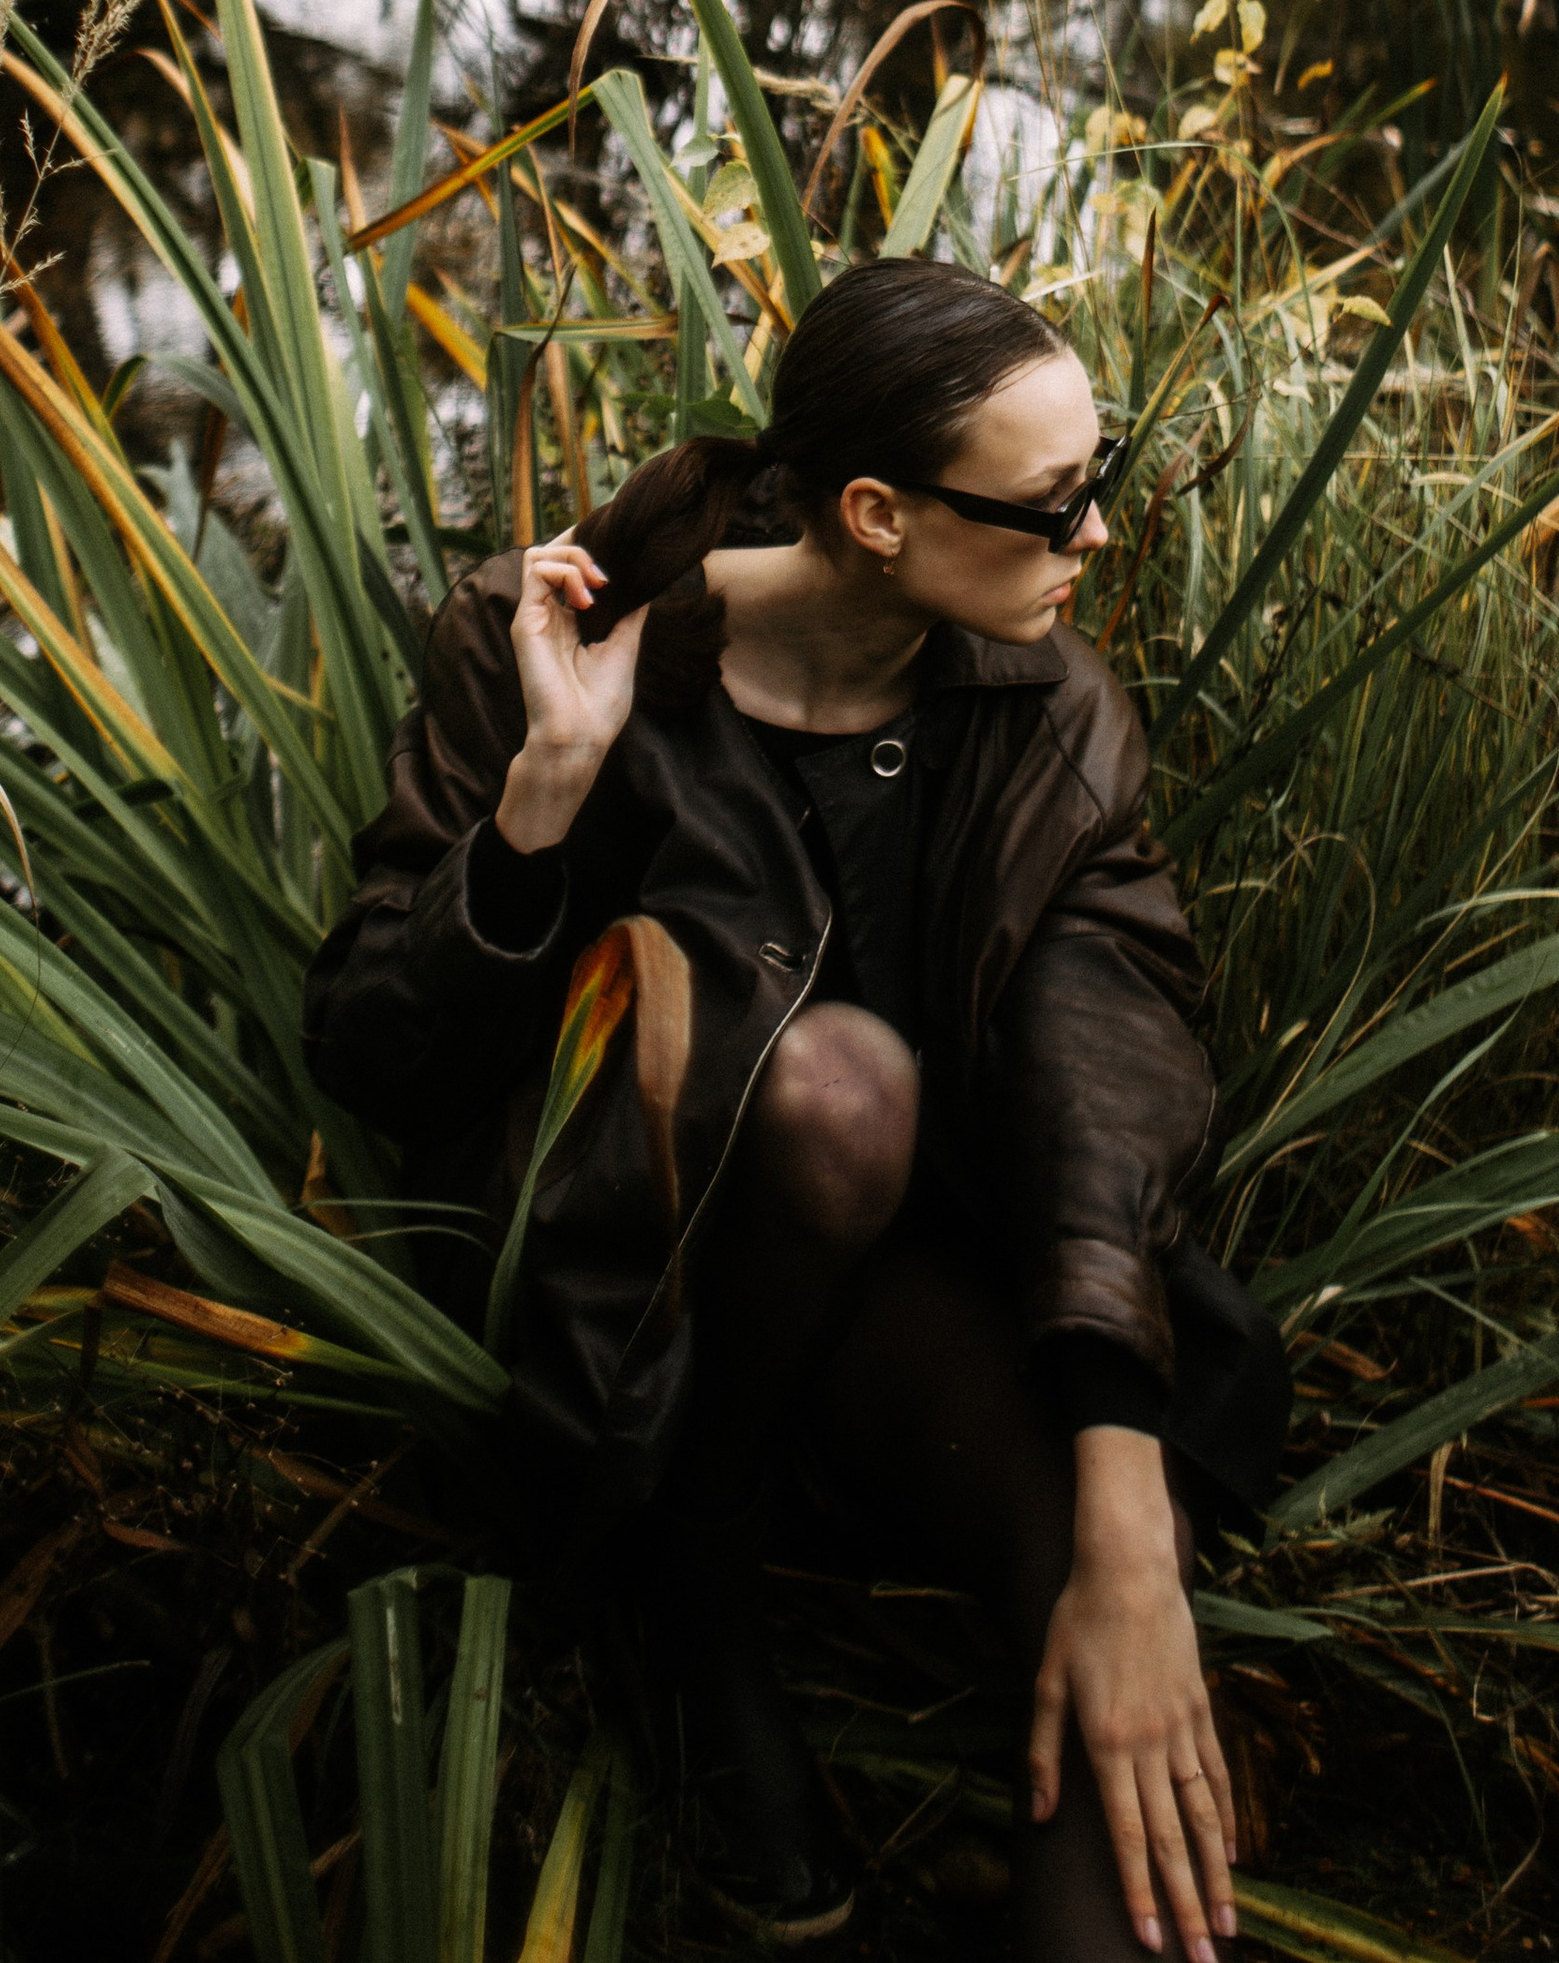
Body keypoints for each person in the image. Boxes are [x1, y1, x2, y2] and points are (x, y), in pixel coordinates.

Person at [303, 257, 1288, 1956]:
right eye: (1057, 507)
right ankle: (687, 1586)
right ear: (875, 514)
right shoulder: (549, 636)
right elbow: (384, 1060)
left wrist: (1128, 1516)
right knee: (840, 1086)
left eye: (1098, 487)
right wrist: (549, 795)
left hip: (904, 1300)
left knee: (1120, 1646)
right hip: (631, 1289)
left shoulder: (1051, 713)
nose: (1097, 541)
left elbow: (1104, 1074)